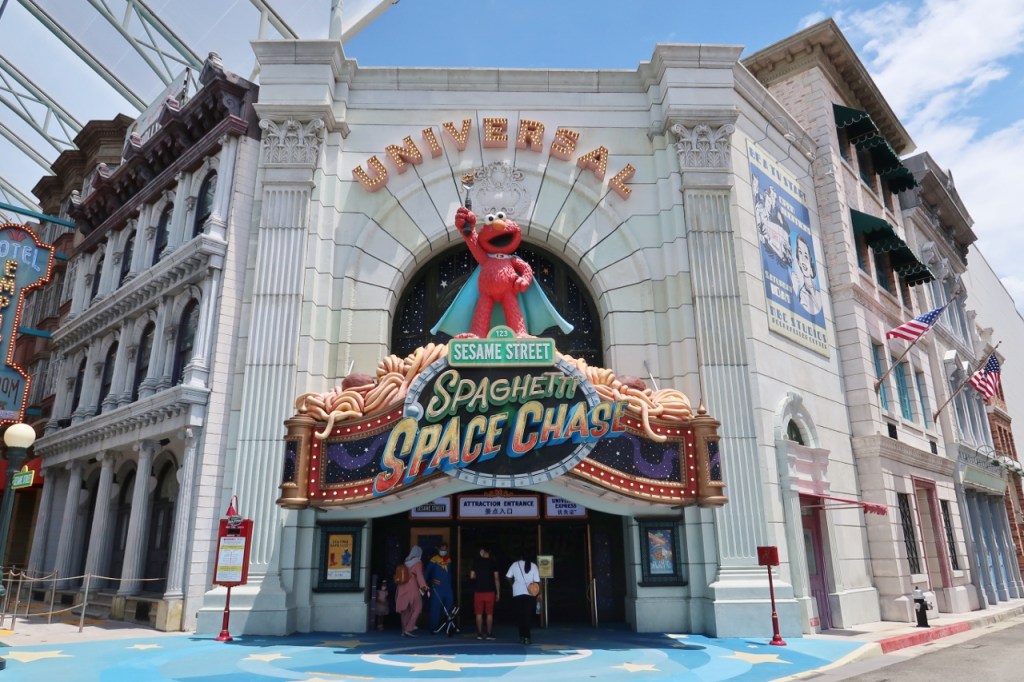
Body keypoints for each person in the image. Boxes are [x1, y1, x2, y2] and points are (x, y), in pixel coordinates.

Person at [506, 553, 541, 645]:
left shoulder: (515, 564)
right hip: (530, 593)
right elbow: (537, 581)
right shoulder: (533, 566)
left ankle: (521, 636)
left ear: (520, 556)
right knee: (528, 616)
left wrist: (513, 584)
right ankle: (527, 638)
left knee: (520, 616)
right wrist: (538, 593)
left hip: (517, 593)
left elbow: (508, 576)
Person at [395, 546, 429, 637]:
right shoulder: (418, 563)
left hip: (402, 586)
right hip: (412, 586)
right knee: (418, 606)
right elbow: (419, 576)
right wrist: (424, 587)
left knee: (405, 610)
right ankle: (409, 628)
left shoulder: (406, 561)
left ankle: (404, 630)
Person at [469, 545, 500, 640]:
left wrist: (478, 577)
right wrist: (498, 592)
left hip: (478, 591)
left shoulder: (476, 562)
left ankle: (479, 633)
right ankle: (489, 634)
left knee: (479, 613)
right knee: (489, 613)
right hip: (490, 591)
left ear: (484, 552)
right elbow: (496, 578)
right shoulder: (493, 562)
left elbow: (471, 576)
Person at [425, 542, 455, 632]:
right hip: (437, 588)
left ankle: (448, 626)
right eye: (442, 549)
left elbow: (450, 574)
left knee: (449, 607)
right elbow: (426, 573)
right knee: (435, 607)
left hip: (448, 588)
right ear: (438, 550)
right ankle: (434, 627)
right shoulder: (433, 560)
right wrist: (424, 585)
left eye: (445, 549)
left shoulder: (449, 559)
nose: (443, 551)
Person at [790, 233, 822, 316]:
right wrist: (794, 290)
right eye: (800, 253)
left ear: (811, 268)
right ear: (798, 262)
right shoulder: (802, 296)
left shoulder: (818, 294)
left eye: (806, 256)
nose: (803, 259)